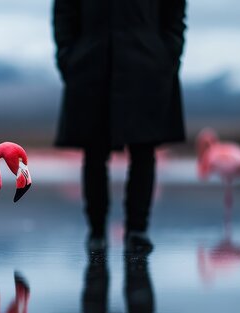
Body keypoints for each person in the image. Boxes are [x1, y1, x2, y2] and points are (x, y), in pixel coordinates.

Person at [52, 0, 187, 249]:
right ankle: (96, 232)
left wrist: (169, 53)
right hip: (90, 64)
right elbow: (64, 11)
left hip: (147, 64)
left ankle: (137, 230)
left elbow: (175, 10)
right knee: (93, 151)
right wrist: (67, 57)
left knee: (144, 149)